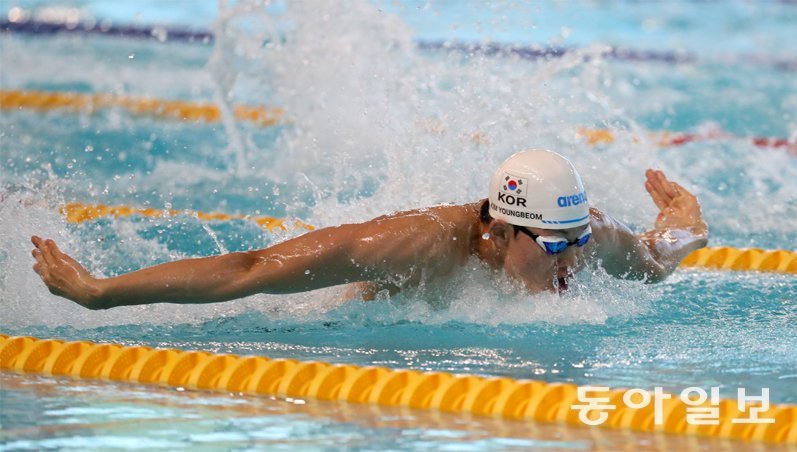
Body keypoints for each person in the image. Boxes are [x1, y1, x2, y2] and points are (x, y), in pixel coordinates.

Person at [31, 149, 708, 310]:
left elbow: (655, 256)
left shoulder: (579, 236)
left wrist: (687, 222)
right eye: (555, 249)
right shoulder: (412, 245)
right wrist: (99, 292)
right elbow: (253, 269)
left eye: (579, 244)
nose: (571, 267)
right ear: (501, 234)